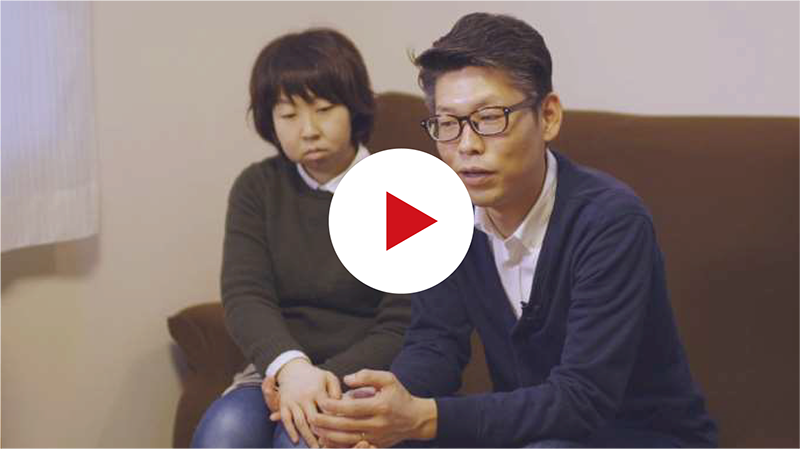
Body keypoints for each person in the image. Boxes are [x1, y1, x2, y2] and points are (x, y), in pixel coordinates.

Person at [298, 12, 718, 449]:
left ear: (548, 116)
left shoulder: (610, 222)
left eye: (490, 117)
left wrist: (423, 418)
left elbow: (583, 399)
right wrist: (383, 407)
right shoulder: (445, 214)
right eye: (448, 123)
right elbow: (435, 344)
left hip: (640, 435)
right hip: (524, 432)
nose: (467, 145)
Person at [189, 28, 411, 449]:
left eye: (323, 110)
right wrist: (291, 369)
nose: (308, 130)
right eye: (289, 115)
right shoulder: (258, 187)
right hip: (278, 368)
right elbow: (245, 294)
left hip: (368, 371)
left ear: (355, 108)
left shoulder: (400, 189)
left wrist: (320, 381)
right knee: (224, 431)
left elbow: (402, 321)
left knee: (302, 440)